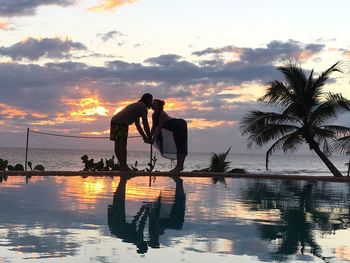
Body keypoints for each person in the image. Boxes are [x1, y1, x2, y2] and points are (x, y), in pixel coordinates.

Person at [110, 93, 153, 171]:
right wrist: (149, 137)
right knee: (122, 146)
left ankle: (122, 166)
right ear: (147, 100)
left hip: (114, 120)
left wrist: (144, 137)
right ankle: (124, 166)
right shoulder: (143, 107)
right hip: (121, 123)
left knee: (118, 146)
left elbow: (138, 125)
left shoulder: (138, 106)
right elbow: (145, 124)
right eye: (151, 101)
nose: (151, 103)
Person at [151, 99, 188, 172]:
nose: (152, 104)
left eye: (154, 103)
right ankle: (179, 166)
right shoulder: (154, 115)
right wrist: (149, 136)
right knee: (178, 146)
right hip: (174, 129)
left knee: (181, 146)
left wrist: (153, 139)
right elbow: (153, 127)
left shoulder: (162, 114)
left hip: (180, 125)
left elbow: (159, 129)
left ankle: (179, 166)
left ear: (159, 106)